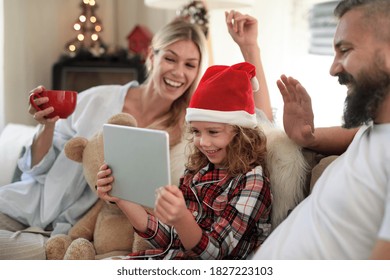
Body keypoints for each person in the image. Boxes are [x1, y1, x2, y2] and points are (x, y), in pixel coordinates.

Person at [0, 11, 274, 259]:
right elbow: (36, 167)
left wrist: (250, 48)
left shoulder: (192, 125)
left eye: (190, 65)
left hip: (85, 227)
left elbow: (258, 126)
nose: (179, 72)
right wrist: (47, 125)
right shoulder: (98, 98)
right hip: (33, 204)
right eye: (170, 58)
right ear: (151, 57)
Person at [252, 0, 390, 259]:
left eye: (345, 50)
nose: (333, 69)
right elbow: (354, 133)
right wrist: (307, 137)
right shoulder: (374, 130)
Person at [96, 62, 272, 260]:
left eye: (213, 132)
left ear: (242, 134)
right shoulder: (198, 171)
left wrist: (181, 218)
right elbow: (170, 240)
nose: (203, 142)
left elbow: (215, 254)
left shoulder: (252, 181)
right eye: (196, 131)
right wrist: (121, 197)